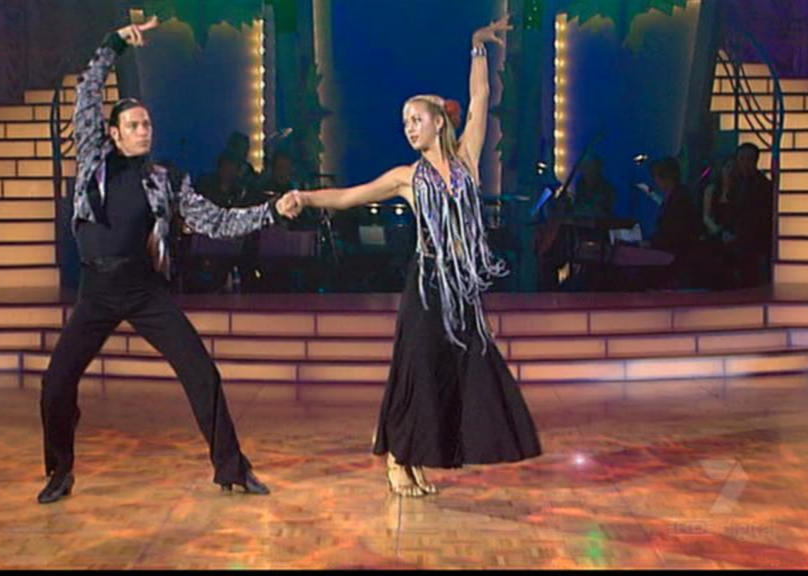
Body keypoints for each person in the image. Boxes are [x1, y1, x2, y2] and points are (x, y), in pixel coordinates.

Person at [38, 16, 301, 504]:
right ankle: (60, 471)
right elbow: (87, 92)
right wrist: (115, 42)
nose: (144, 130)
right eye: (134, 125)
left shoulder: (165, 180)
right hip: (96, 291)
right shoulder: (93, 160)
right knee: (56, 383)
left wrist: (270, 212)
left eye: (147, 124)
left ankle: (232, 468)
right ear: (113, 133)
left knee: (202, 373)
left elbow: (216, 221)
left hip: (143, 290)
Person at [285, 17, 542, 497]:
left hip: (462, 289)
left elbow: (481, 97)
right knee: (418, 369)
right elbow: (349, 196)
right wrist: (305, 197)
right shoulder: (407, 176)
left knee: (457, 370)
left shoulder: (467, 160)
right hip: (426, 285)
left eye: (416, 120)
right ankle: (398, 457)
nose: (409, 128)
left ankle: (420, 455)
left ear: (439, 121)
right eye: (404, 123)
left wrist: (477, 47)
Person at [640, 156, 702, 288]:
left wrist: (652, 242)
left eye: (657, 177)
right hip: (675, 252)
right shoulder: (675, 197)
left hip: (679, 256)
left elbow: (674, 231)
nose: (656, 182)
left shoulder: (680, 199)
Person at [730, 142, 774, 287]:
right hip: (734, 237)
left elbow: (764, 216)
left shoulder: (764, 185)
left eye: (749, 159)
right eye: (741, 159)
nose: (745, 163)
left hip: (756, 240)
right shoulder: (732, 182)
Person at [701, 158, 738, 289]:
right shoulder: (711, 190)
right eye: (727, 167)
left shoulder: (739, 190)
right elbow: (706, 217)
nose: (730, 171)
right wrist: (718, 231)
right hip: (715, 233)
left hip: (735, 234)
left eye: (733, 167)